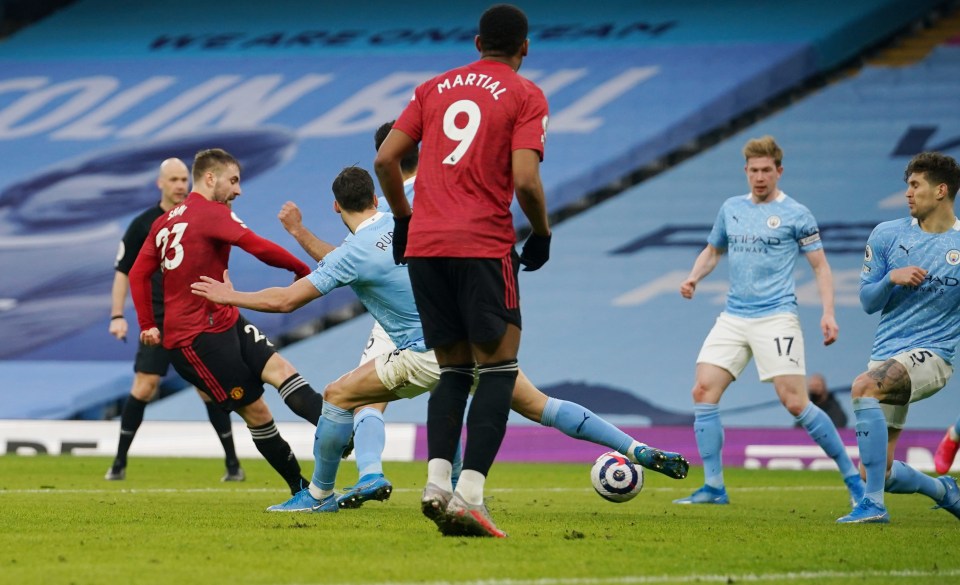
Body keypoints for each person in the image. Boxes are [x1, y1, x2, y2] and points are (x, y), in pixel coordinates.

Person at [193, 167, 689, 519]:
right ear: (374, 197)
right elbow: (351, 258)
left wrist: (228, 294)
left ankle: (319, 492)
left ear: (337, 206)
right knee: (541, 406)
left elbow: (285, 301)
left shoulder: (355, 250)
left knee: (340, 395)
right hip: (475, 341)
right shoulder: (401, 219)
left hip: (425, 354)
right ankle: (636, 448)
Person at [374, 3, 552, 538]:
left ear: (477, 43)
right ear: (524, 48)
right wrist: (541, 232)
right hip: (482, 244)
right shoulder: (526, 94)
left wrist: (404, 220)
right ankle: (470, 495)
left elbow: (385, 161)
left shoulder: (432, 88)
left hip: (426, 247)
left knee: (452, 370)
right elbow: (524, 179)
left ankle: (435, 485)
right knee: (498, 367)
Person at [674, 135, 865, 509]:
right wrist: (695, 276)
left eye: (766, 170)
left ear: (779, 171)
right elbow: (714, 250)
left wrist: (828, 312)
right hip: (734, 315)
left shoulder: (797, 214)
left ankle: (854, 481)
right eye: (753, 171)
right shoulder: (731, 208)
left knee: (795, 402)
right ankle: (714, 486)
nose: (759, 177)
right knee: (703, 391)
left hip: (776, 316)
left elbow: (821, 267)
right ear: (745, 172)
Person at [129, 148, 323, 495]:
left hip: (225, 318)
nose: (238, 190)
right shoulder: (210, 213)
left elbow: (139, 273)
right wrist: (302, 269)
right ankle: (301, 488)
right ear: (209, 178)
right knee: (257, 411)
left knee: (282, 370)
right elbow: (257, 246)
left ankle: (342, 435)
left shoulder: (166, 220)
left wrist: (147, 323)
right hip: (195, 339)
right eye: (233, 181)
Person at [838, 151, 960, 523]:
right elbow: (866, 302)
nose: (908, 193)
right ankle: (944, 491)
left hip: (934, 356)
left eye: (914, 185)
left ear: (941, 190)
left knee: (863, 387)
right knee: (879, 472)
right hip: (888, 352)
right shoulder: (888, 235)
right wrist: (891, 278)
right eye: (907, 185)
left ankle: (872, 507)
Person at [105, 159, 244, 482]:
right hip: (157, 322)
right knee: (144, 385)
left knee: (209, 390)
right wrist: (116, 316)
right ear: (160, 184)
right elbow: (123, 273)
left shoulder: (200, 216)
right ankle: (118, 463)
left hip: (195, 320)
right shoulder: (144, 224)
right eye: (174, 179)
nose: (180, 185)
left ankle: (233, 464)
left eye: (184, 178)